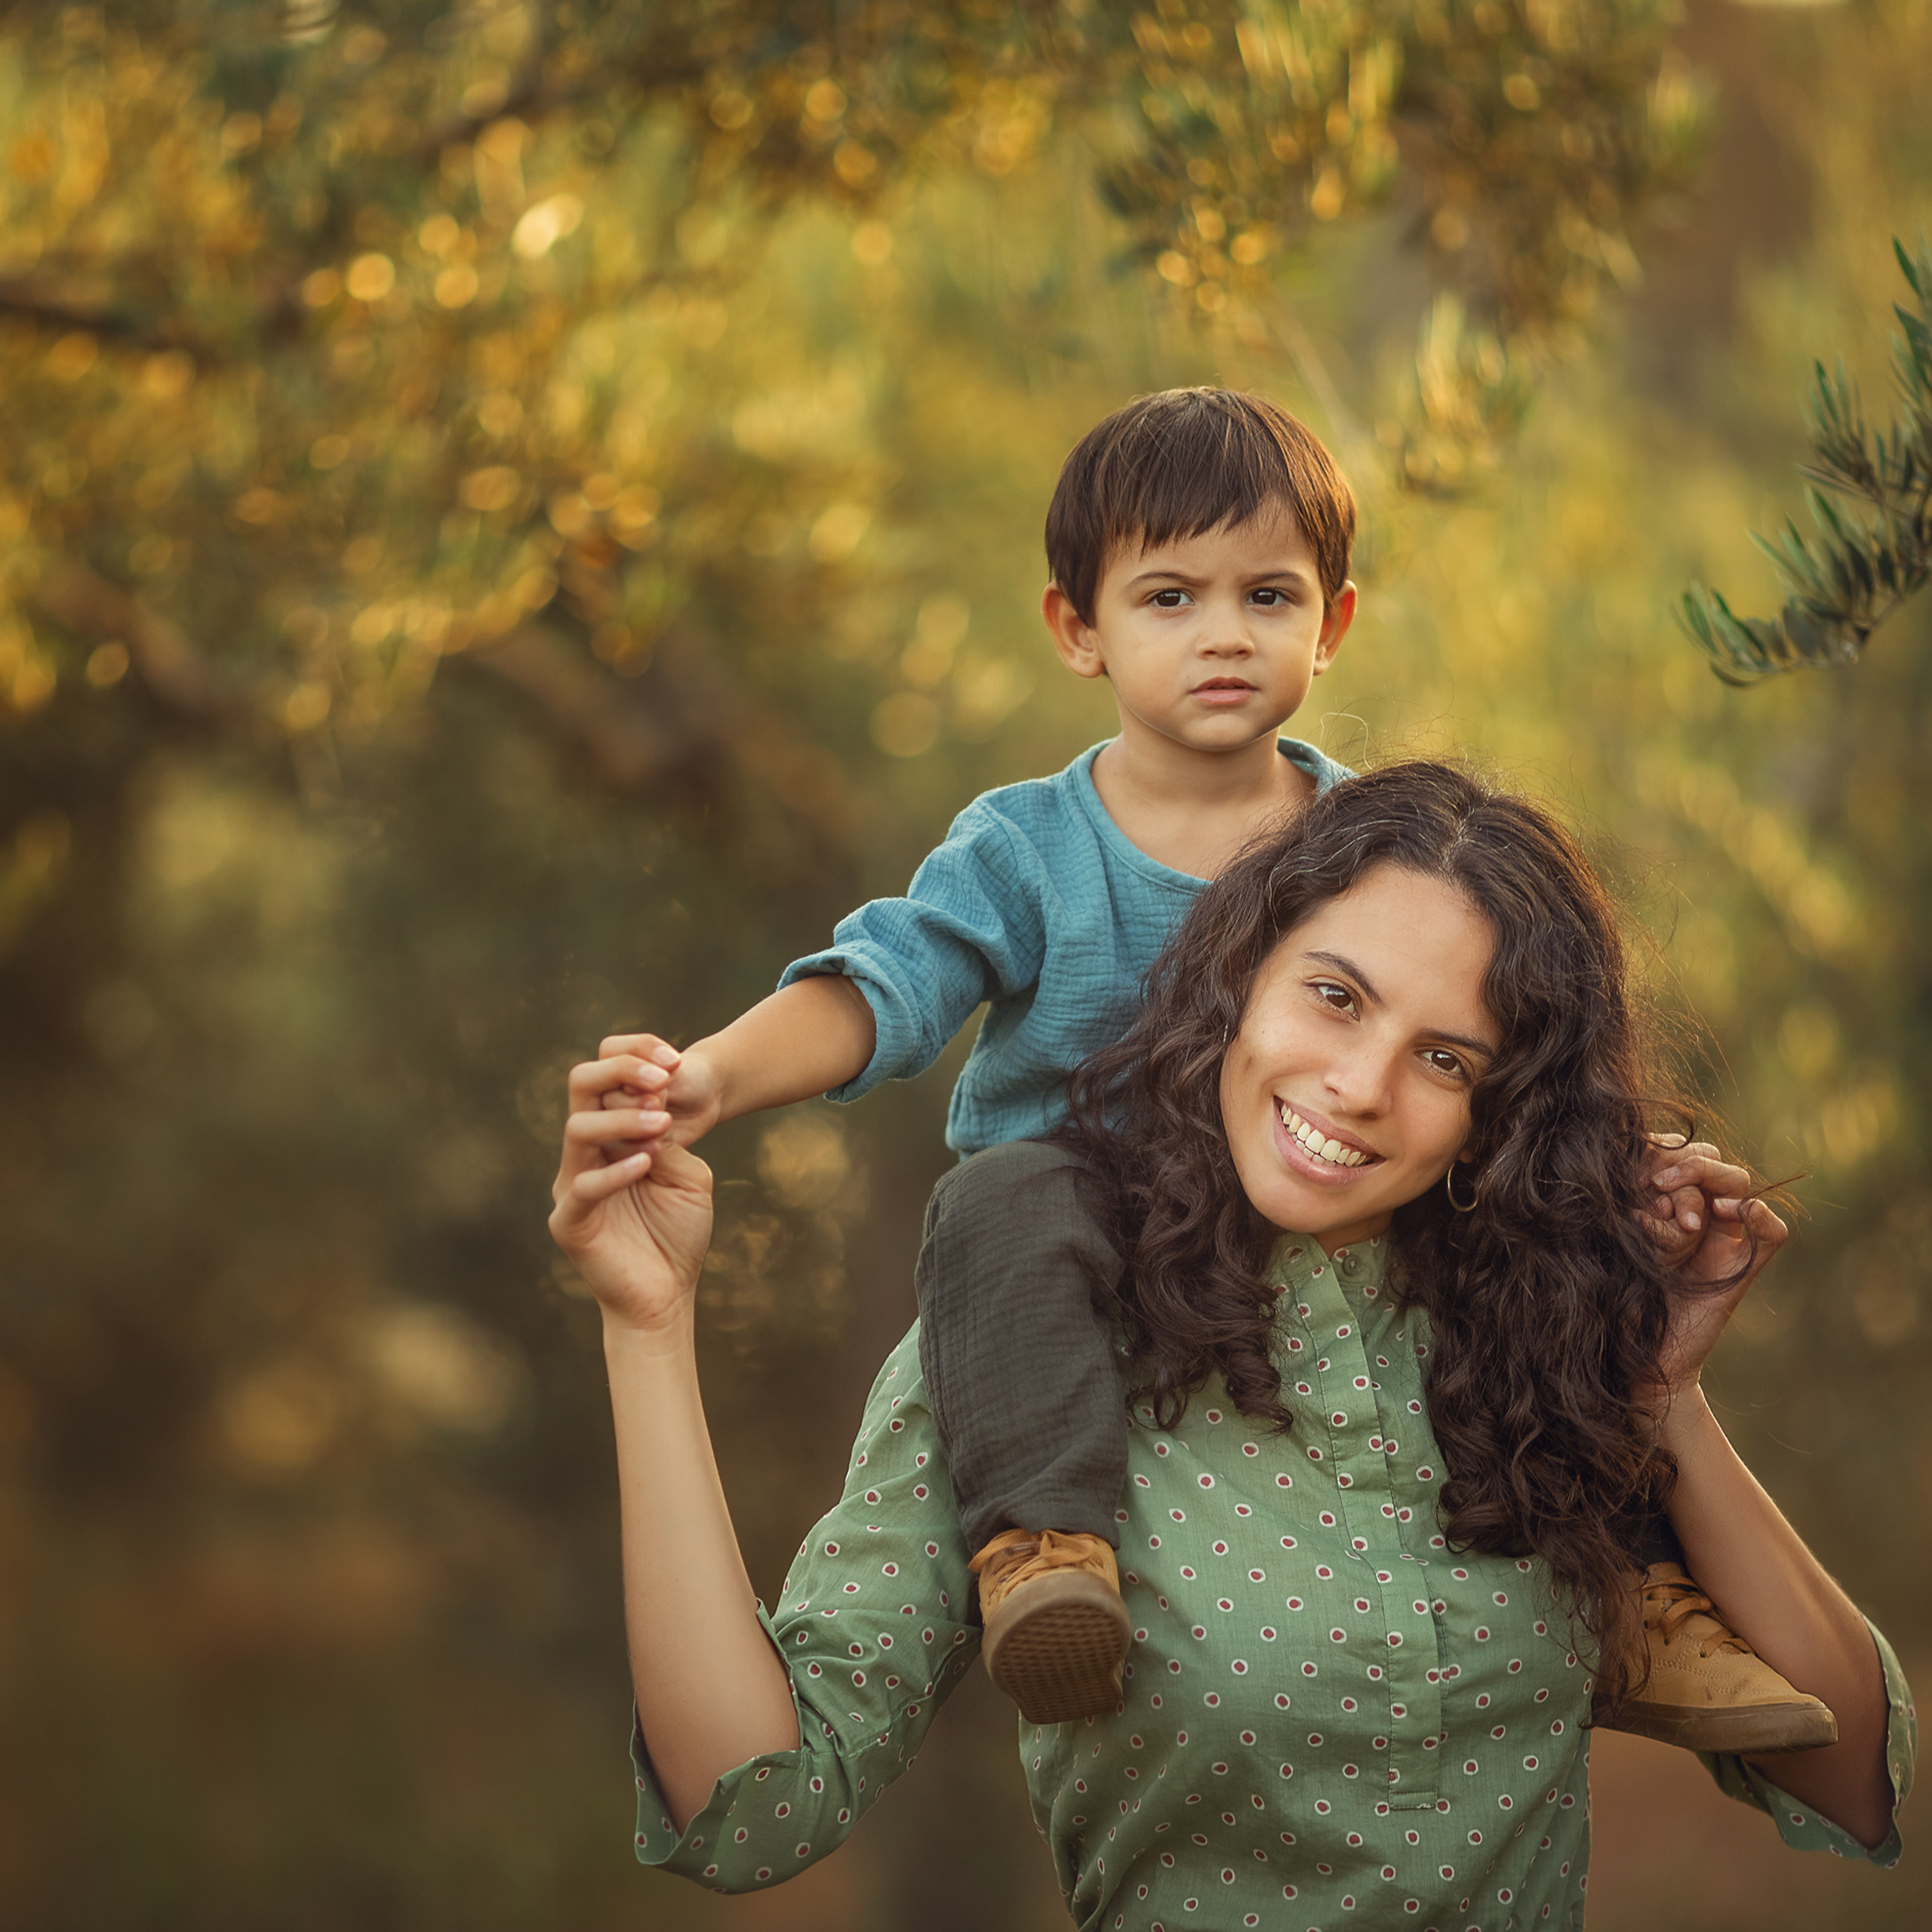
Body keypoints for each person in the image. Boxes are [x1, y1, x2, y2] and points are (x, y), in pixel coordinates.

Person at [596, 386, 1807, 1743]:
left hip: (1311, 1210)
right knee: (997, 1202)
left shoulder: (1366, 847)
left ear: (1331, 625)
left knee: (1532, 1243)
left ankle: (1631, 1595)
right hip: (1082, 1217)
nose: (1223, 634)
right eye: (1169, 598)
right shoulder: (1028, 847)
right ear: (1079, 629)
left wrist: (1615, 1168)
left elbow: (1483, 1041)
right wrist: (713, 1078)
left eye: (1268, 597)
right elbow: (893, 983)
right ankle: (1047, 1556)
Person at [552, 763, 1912, 1930]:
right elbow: (751, 1807)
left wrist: (1665, 1396)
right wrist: (648, 1328)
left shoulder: (1522, 1340)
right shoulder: (1036, 1333)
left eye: (1447, 1060)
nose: (1361, 1086)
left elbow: (1855, 1779)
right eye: (1335, 997)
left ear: (1497, 1116)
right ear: (1239, 979)